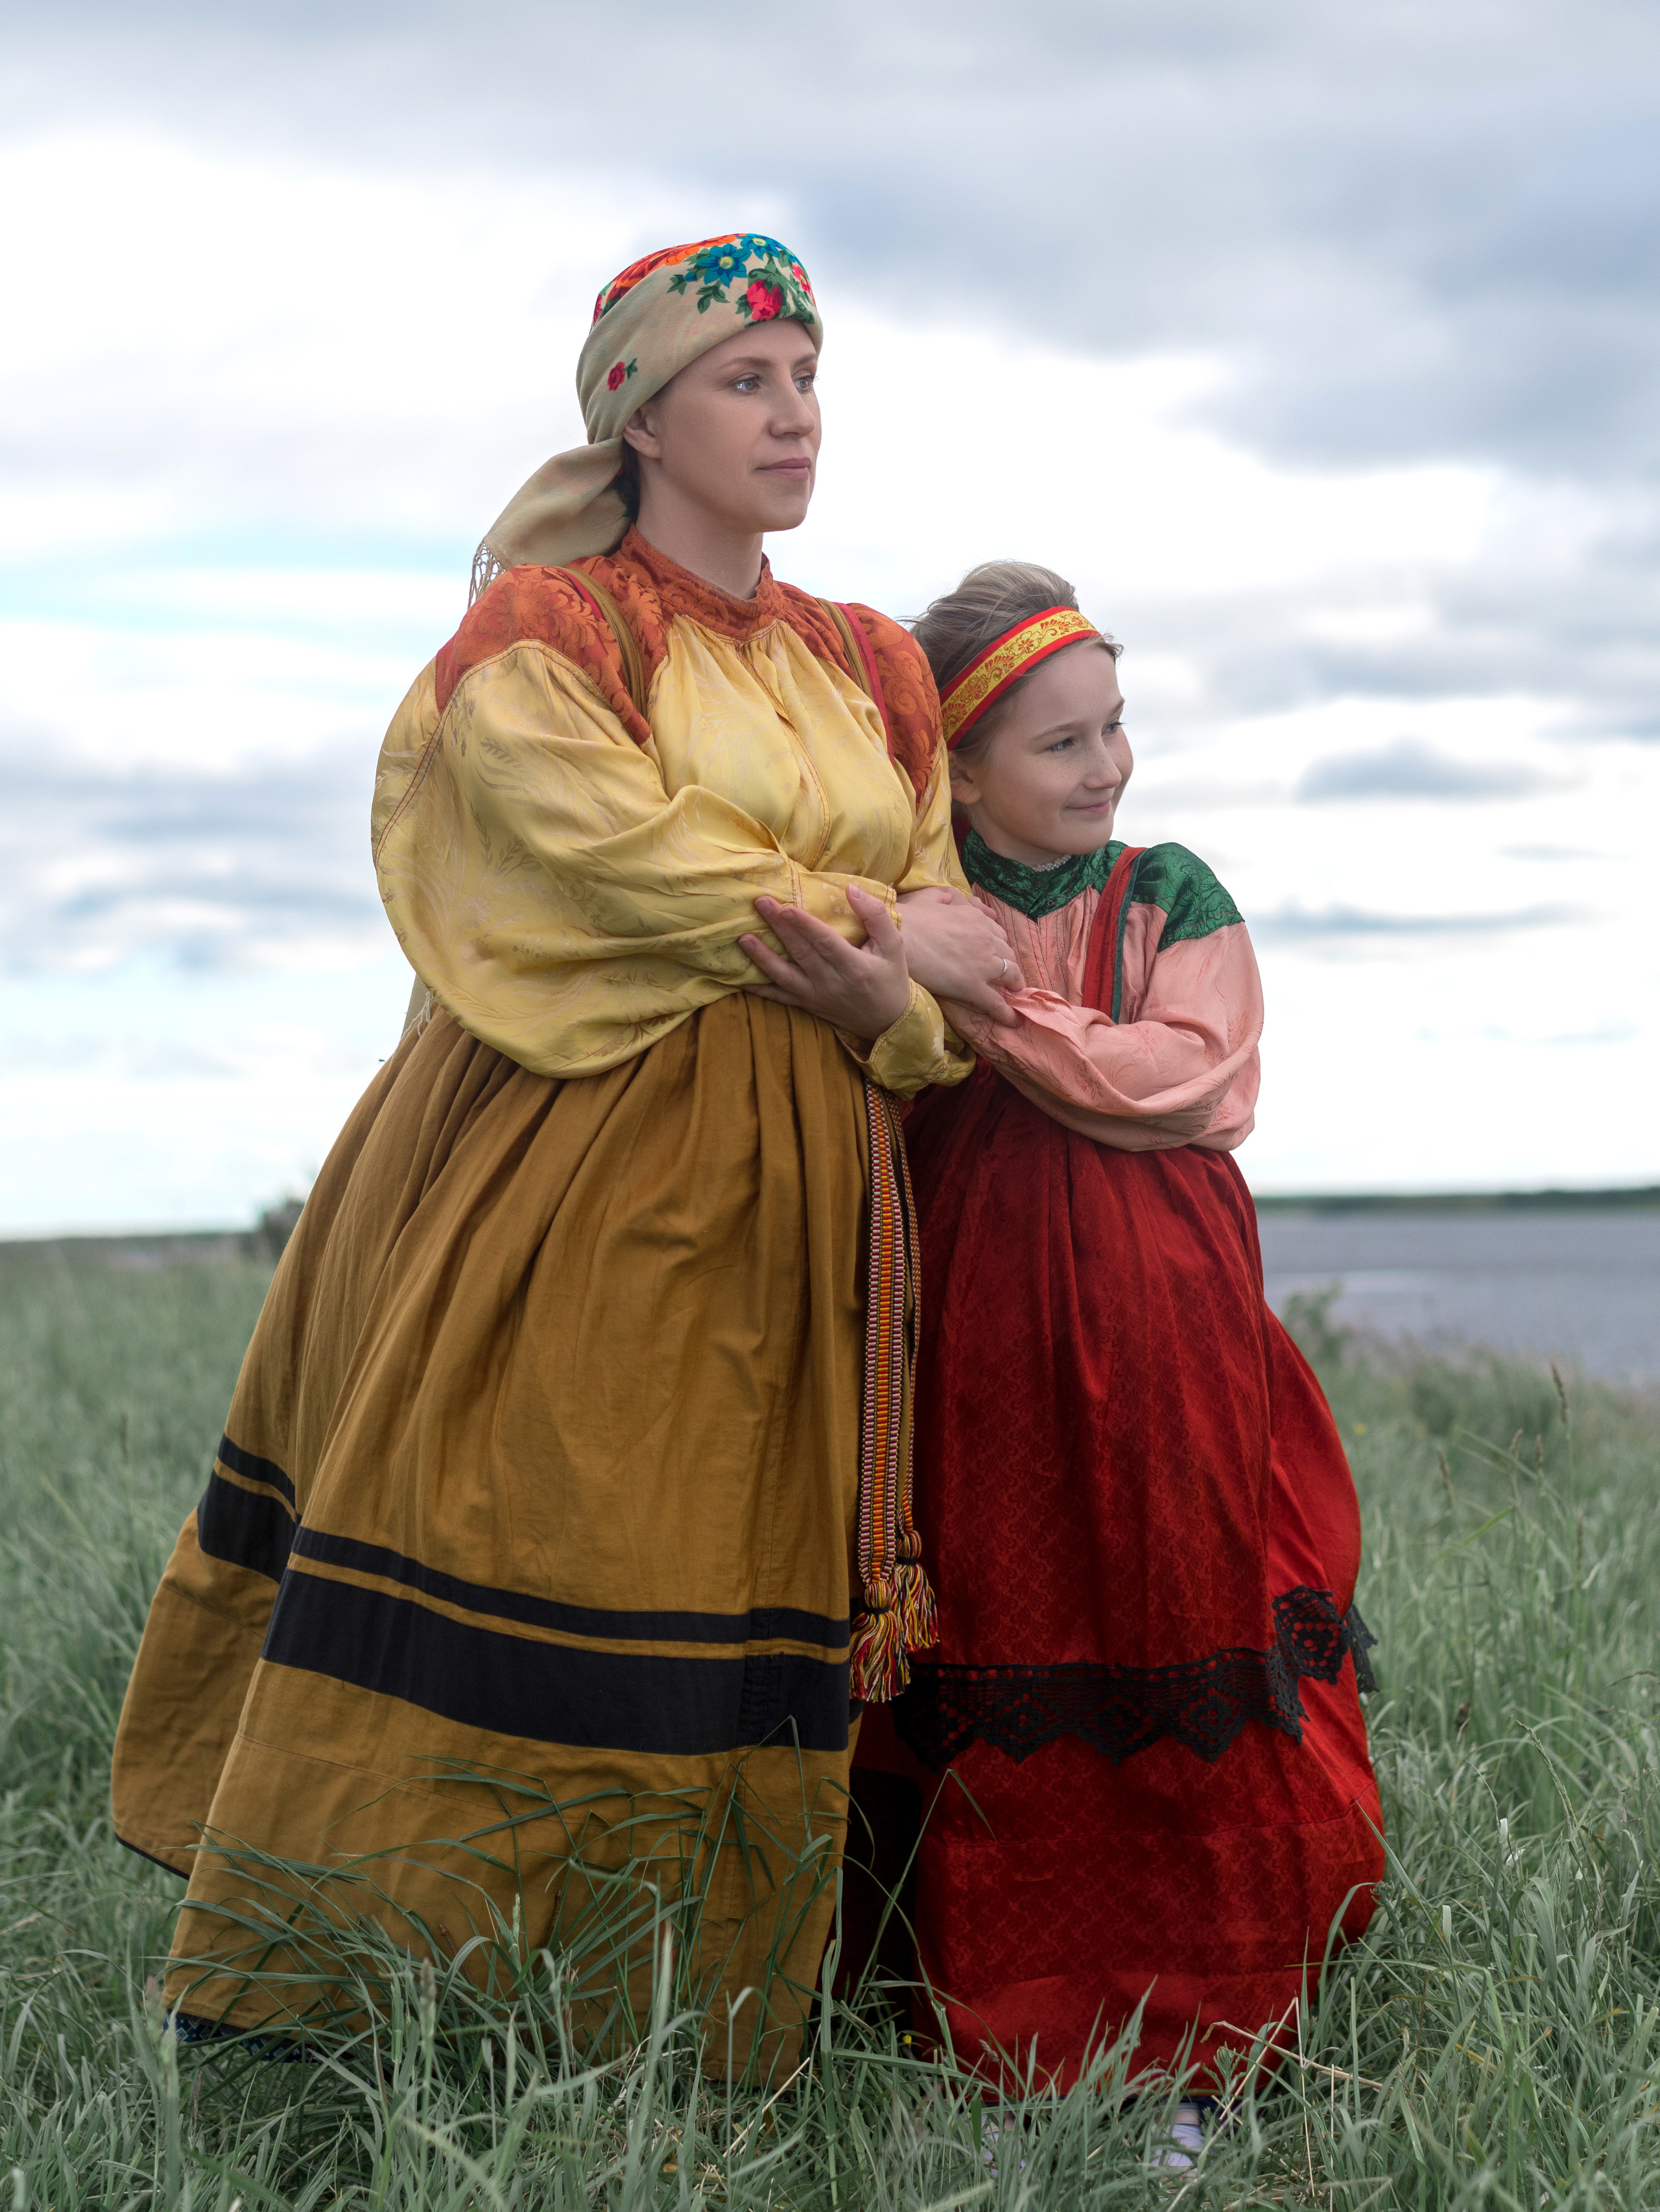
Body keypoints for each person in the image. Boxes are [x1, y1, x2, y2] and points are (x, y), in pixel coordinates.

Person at [110, 235, 1024, 2067]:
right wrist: (871, 922)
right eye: (745, 379)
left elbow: (961, 956)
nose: (794, 413)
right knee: (547, 1532)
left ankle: (684, 2032)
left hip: (808, 1179)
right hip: (574, 1151)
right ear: (640, 412)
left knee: (730, 1572)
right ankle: (371, 2015)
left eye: (806, 375)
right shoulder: (543, 634)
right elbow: (614, 857)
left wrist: (883, 1000)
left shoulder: (868, 667)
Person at [851, 561, 1384, 2108]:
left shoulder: (1165, 890)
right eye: (1059, 742)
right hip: (974, 1346)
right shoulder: (923, 907)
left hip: (1166, 1336)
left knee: (1168, 1602)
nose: (1105, 767)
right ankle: (994, 2008)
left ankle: (1203, 2008)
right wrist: (919, 965)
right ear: (958, 771)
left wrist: (1002, 1010)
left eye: (1113, 726)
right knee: (1002, 1618)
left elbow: (1191, 1078)